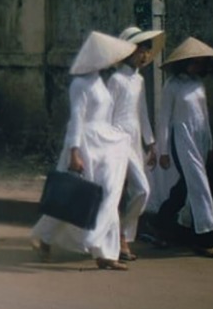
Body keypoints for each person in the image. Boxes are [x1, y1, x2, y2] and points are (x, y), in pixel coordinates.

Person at [32, 31, 138, 271]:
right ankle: (46, 238)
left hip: (105, 142)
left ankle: (105, 253)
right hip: (86, 144)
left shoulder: (99, 80)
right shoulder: (80, 84)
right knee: (73, 196)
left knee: (109, 193)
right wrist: (74, 152)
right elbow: (77, 119)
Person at [154, 37, 213, 258]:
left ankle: (162, 222)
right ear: (186, 62)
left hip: (200, 138)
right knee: (199, 186)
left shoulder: (198, 84)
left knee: (187, 186)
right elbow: (164, 119)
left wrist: (210, 144)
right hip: (181, 138)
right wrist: (162, 151)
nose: (200, 66)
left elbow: (204, 117)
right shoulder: (171, 86)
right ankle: (204, 238)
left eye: (202, 63)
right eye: (197, 61)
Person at [107, 26, 165, 261]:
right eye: (141, 50)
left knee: (139, 190)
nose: (145, 56)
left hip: (134, 141)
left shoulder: (138, 80)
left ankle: (121, 235)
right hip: (117, 139)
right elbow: (108, 113)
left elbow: (141, 112)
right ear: (128, 51)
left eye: (147, 52)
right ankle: (119, 239)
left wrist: (150, 143)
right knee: (132, 190)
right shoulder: (116, 79)